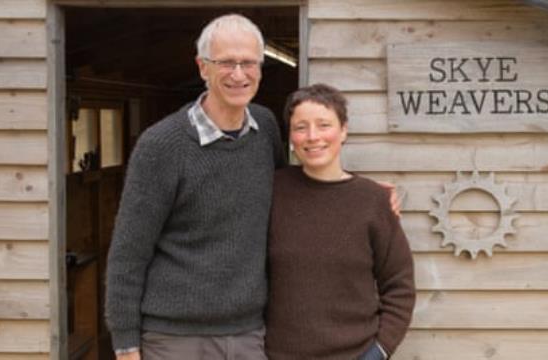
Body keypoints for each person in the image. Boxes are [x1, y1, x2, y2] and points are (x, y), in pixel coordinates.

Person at [105, 14, 285, 360]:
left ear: (260, 68)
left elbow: (292, 196)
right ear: (203, 68)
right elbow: (129, 251)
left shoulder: (266, 127)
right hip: (174, 339)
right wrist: (125, 343)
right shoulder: (161, 145)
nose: (238, 74)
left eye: (248, 62)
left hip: (249, 332)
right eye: (226, 63)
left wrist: (366, 195)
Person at [265, 84, 416, 360]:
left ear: (343, 130)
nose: (313, 137)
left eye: (324, 125)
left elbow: (399, 285)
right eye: (301, 127)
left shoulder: (372, 201)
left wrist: (380, 350)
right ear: (290, 136)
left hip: (355, 354)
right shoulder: (271, 191)